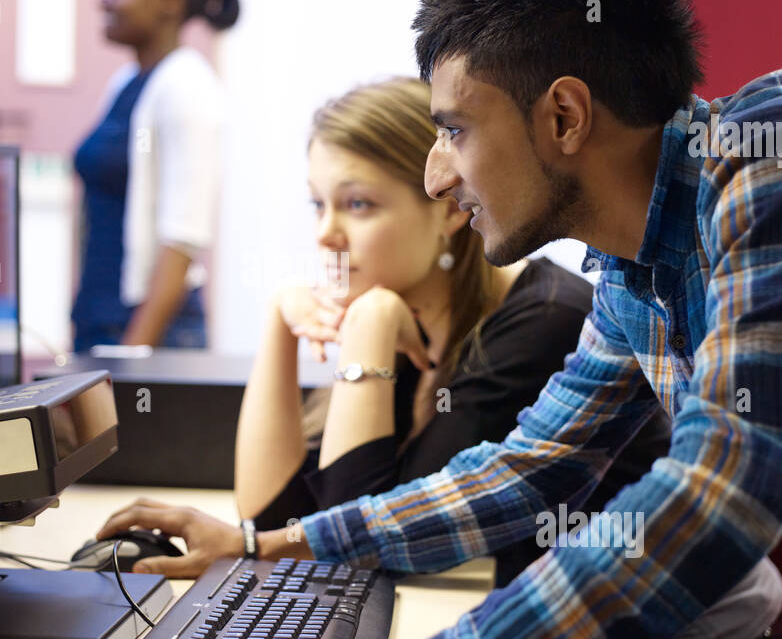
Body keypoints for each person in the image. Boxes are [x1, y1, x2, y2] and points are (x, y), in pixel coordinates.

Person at [97, 0, 782, 639]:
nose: (437, 172)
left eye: (454, 128)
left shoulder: (753, 172)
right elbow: (525, 465)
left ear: (561, 118)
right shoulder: (641, 254)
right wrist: (273, 545)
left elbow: (714, 497)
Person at [234, 76, 669, 576]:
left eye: (358, 204)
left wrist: (370, 325)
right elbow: (274, 519)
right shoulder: (411, 309)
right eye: (318, 203)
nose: (325, 234)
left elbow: (363, 556)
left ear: (446, 211)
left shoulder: (543, 323)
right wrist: (278, 326)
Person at [71, 0, 239, 353]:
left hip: (149, 332)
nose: (105, 0)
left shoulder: (187, 86)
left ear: (171, 0)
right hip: (101, 319)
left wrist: (133, 355)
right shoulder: (127, 82)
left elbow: (183, 237)